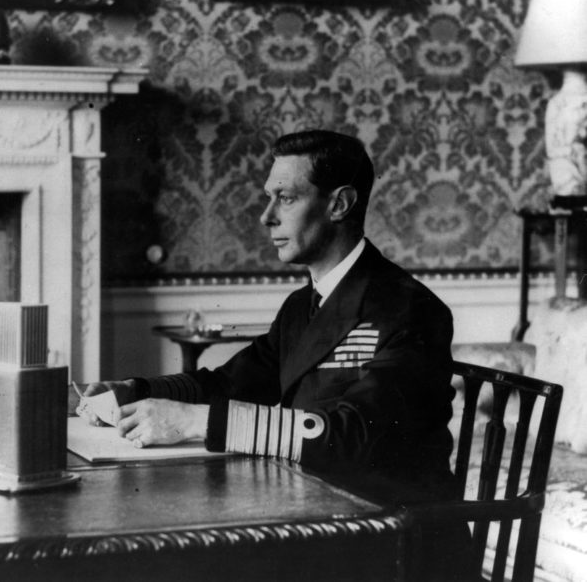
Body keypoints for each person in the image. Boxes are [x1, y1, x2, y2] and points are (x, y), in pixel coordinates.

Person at [85, 130, 472, 578]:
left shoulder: (409, 309)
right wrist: (134, 391)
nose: (266, 217)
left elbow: (351, 434)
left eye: (285, 198)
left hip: (394, 542)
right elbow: (230, 382)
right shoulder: (301, 307)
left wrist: (194, 421)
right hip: (323, 522)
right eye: (268, 198)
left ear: (339, 204)